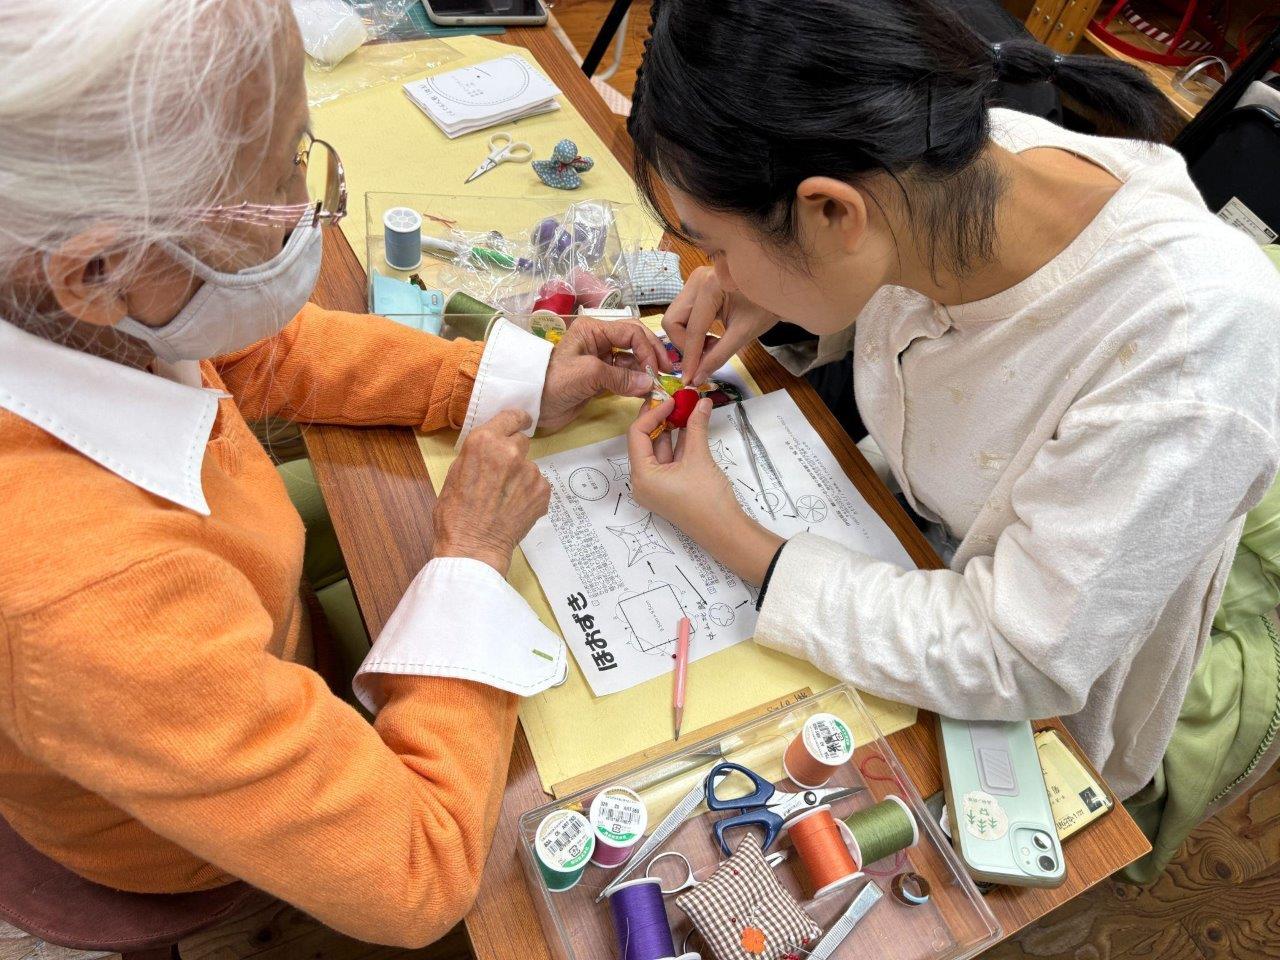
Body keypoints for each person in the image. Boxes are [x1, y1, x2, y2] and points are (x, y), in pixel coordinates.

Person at [0, 0, 670, 947]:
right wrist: (471, 560)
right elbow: (418, 872)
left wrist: (512, 377)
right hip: (168, 840)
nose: (306, 210)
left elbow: (261, 351)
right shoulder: (86, 599)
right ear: (98, 268)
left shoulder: (72, 300)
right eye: (274, 180)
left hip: (227, 655)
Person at [625, 0, 1280, 876]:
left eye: (713, 245)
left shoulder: (1186, 347)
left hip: (1042, 698)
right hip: (909, 544)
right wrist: (770, 294)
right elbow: (915, 312)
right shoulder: (938, 162)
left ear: (829, 212)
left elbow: (1019, 656)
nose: (710, 272)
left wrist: (736, 538)